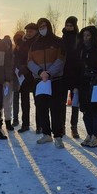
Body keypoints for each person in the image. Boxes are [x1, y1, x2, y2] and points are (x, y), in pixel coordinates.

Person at [28, 18, 65, 148]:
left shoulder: (58, 41)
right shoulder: (34, 44)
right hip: (39, 81)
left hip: (54, 80)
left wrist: (49, 73)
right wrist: (40, 72)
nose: (42, 28)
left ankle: (58, 136)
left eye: (44, 26)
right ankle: (46, 134)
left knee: (56, 109)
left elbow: (61, 59)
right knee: (41, 108)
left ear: (49, 26)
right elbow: (30, 61)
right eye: (40, 27)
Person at [76, 26, 97, 148]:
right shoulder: (80, 50)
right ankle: (89, 133)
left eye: (88, 35)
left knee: (96, 110)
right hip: (83, 82)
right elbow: (76, 67)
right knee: (85, 110)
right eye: (84, 36)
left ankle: (95, 135)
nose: (86, 38)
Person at [14, 23, 39, 133]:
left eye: (31, 31)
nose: (29, 33)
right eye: (27, 31)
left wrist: (29, 68)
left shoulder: (38, 43)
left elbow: (38, 59)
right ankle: (25, 124)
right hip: (24, 76)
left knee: (38, 102)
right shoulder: (23, 44)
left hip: (35, 75)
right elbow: (18, 57)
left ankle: (40, 125)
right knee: (24, 101)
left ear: (36, 32)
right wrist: (21, 67)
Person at [61, 16, 82, 139]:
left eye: (71, 25)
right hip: (63, 75)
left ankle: (74, 127)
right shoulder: (61, 39)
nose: (69, 28)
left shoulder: (78, 39)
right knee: (61, 103)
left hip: (75, 75)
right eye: (67, 25)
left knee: (75, 103)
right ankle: (62, 126)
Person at [2, 35, 15, 131]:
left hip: (9, 82)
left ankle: (8, 121)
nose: (6, 46)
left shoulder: (13, 55)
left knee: (8, 103)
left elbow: (14, 69)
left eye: (8, 44)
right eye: (4, 44)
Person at [11, 30, 25, 127]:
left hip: (24, 76)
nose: (18, 39)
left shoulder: (26, 48)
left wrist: (23, 69)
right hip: (15, 77)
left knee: (24, 101)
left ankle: (26, 121)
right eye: (16, 38)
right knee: (15, 99)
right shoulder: (13, 50)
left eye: (20, 37)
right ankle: (15, 119)